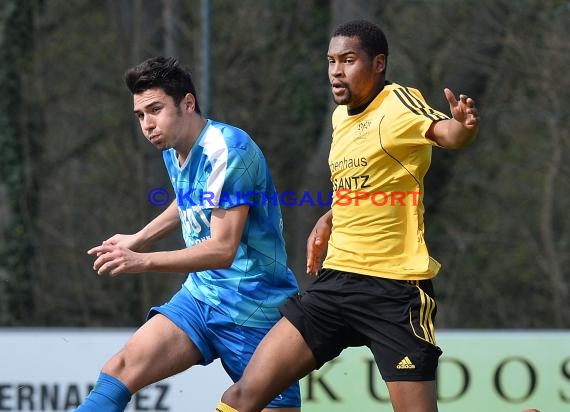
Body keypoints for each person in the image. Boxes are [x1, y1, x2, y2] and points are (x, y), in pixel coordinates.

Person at [216, 20, 480, 412]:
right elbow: (361, 187)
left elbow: (446, 135)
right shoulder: (341, 117)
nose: (336, 71)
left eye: (348, 60)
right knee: (242, 396)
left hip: (395, 290)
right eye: (331, 61)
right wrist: (329, 219)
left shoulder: (398, 102)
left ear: (378, 64)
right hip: (336, 284)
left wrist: (462, 126)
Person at [75, 56, 301, 412]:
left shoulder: (228, 150)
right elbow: (189, 202)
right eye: (140, 115)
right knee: (119, 370)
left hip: (252, 310)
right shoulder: (173, 147)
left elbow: (222, 249)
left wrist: (141, 260)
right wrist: (138, 237)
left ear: (188, 104)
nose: (147, 124)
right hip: (200, 298)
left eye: (155, 109)